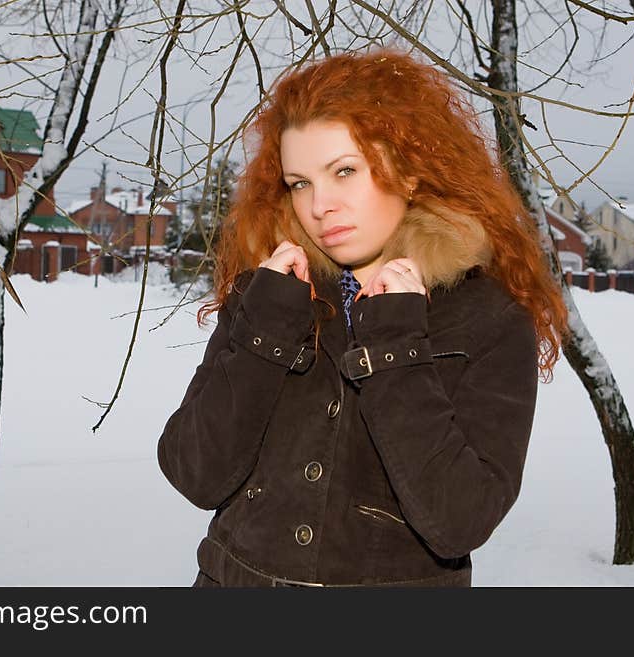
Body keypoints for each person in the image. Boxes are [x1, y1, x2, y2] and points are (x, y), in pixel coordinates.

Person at [157, 48, 568, 587]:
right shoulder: (272, 295)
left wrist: (397, 345)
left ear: (411, 170)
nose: (319, 204)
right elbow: (195, 473)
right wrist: (265, 330)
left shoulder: (488, 317)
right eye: (299, 182)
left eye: (344, 171)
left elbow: (461, 520)